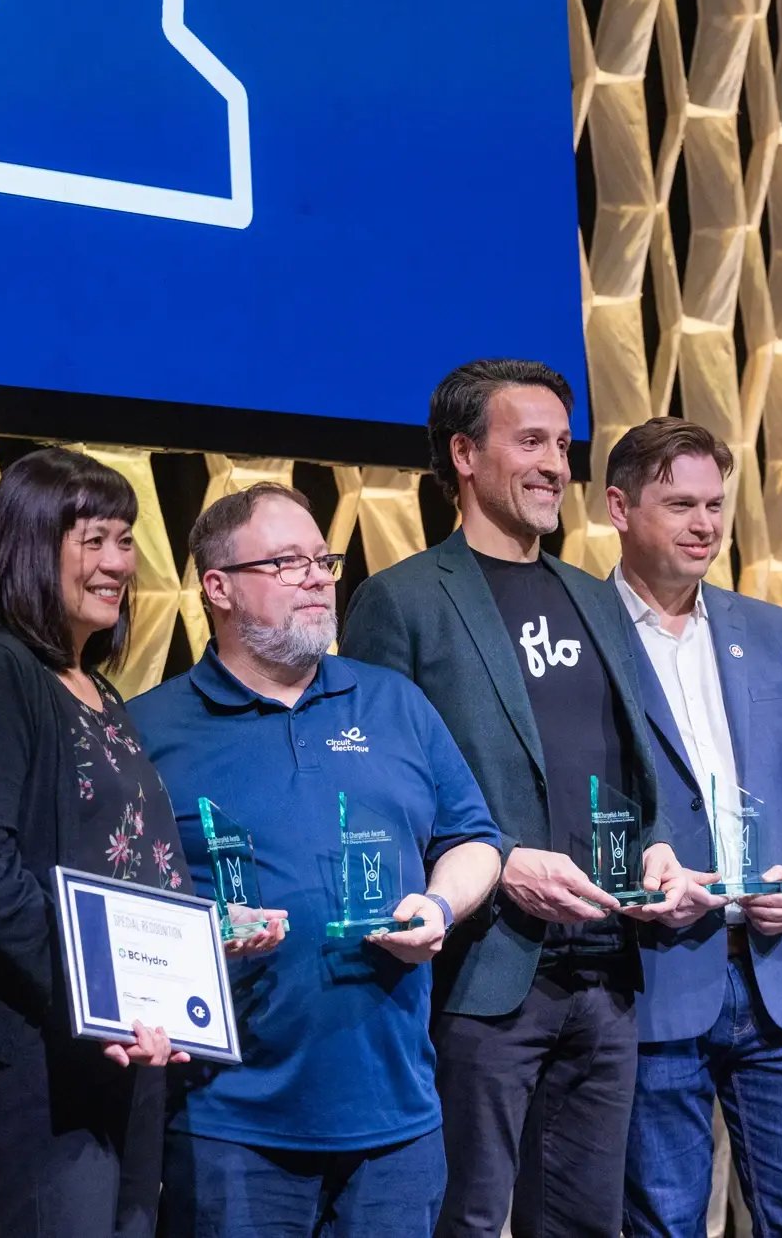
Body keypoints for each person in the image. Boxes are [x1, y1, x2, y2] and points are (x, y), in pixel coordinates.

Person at [342, 359, 702, 1237]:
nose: (554, 465)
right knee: (463, 1220)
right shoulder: (403, 600)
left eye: (564, 446)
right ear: (464, 454)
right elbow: (374, 796)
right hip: (485, 976)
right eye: (530, 441)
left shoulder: (593, 596)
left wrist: (655, 842)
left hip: (609, 973)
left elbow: (628, 761)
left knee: (586, 1224)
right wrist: (497, 865)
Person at [128, 483, 504, 1238]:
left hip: (396, 1117)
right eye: (287, 561)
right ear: (217, 586)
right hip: (228, 1123)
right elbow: (122, 905)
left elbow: (474, 840)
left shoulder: (393, 702)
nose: (318, 577)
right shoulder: (149, 729)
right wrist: (199, 933)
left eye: (323, 560)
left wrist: (437, 906)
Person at [604, 417, 782, 1236]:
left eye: (715, 504)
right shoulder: (583, 638)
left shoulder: (770, 631)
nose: (705, 524)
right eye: (681, 504)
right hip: (654, 981)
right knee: (664, 1225)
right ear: (618, 507)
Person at [0, 448, 189, 1237]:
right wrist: (93, 1001)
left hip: (128, 1052)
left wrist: (206, 944)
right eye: (96, 540)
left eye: (127, 539)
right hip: (43, 1058)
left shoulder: (100, 688)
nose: (120, 562)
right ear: (28, 544)